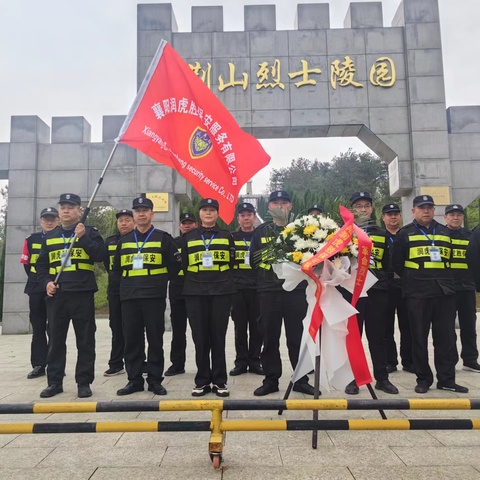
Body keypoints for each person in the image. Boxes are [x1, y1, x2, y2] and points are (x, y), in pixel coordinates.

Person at [392, 195, 468, 394]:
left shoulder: (445, 232)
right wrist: (412, 280)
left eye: (429, 208)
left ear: (435, 211)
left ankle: (447, 379)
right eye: (421, 208)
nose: (426, 211)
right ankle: (423, 379)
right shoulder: (404, 233)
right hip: (417, 293)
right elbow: (397, 263)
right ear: (413, 211)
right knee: (418, 337)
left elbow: (450, 260)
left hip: (444, 293)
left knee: (447, 338)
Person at [36, 193, 105, 398]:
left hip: (82, 293)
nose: (66, 210)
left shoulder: (90, 232)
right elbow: (41, 266)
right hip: (57, 295)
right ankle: (54, 382)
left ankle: (84, 382)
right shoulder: (49, 236)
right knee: (56, 340)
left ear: (79, 211)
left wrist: (83, 238)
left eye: (71, 207)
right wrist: (47, 282)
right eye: (63, 207)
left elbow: (100, 256)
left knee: (85, 340)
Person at [250, 190, 315, 396]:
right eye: (275, 203)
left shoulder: (301, 231)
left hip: (296, 292)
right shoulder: (260, 231)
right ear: (269, 208)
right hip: (269, 291)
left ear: (290, 206)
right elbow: (253, 261)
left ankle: (301, 379)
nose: (280, 206)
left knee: (297, 337)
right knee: (269, 337)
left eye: (284, 203)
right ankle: (271, 379)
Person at [114, 197, 178, 396]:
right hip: (130, 297)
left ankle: (154, 380)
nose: (141, 214)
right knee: (132, 340)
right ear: (133, 215)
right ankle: (134, 380)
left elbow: (175, 268)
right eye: (137, 210)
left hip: (153, 296)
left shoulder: (163, 238)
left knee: (155, 339)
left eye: (145, 210)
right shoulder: (123, 241)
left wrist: (158, 282)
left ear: (152, 214)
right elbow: (115, 270)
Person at [343, 192, 399, 395]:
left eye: (366, 205)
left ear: (372, 208)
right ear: (352, 210)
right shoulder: (344, 233)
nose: (363, 209)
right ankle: (353, 379)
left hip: (377, 292)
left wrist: (383, 283)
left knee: (379, 337)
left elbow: (388, 265)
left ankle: (382, 378)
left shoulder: (382, 234)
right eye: (358, 206)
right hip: (352, 293)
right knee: (353, 337)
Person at [181, 198, 236, 397]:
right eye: (205, 210)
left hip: (221, 291)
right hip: (195, 292)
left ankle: (220, 381)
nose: (208, 213)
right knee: (200, 338)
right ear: (199, 214)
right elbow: (184, 264)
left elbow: (231, 261)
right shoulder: (189, 237)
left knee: (218, 337)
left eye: (212, 210)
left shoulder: (226, 235)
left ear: (217, 214)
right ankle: (202, 380)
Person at [20, 207, 59, 379]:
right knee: (38, 328)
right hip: (36, 288)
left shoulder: (63, 237)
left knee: (56, 329)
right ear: (41, 221)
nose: (49, 222)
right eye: (46, 219)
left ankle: (55, 364)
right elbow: (27, 265)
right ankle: (38, 364)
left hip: (57, 288)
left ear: (57, 220)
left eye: (52, 219)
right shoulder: (31, 239)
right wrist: (40, 280)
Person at [444, 204, 480, 372]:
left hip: (466, 287)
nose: (455, 217)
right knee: (447, 327)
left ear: (463, 217)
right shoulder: (440, 236)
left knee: (469, 325)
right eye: (452, 214)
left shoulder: (470, 236)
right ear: (445, 218)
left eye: (459, 214)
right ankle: (450, 360)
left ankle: (470, 359)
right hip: (447, 288)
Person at [229, 202, 263, 377]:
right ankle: (241, 362)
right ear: (238, 218)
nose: (246, 217)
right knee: (240, 327)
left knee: (257, 327)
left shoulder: (260, 236)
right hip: (238, 289)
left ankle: (255, 361)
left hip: (258, 288)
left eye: (249, 214)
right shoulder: (231, 237)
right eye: (242, 215)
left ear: (254, 217)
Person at [165, 212, 198, 376]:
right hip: (177, 291)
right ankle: (177, 364)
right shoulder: (173, 243)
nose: (187, 225)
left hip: (195, 291)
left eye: (190, 223)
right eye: (184, 223)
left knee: (199, 331)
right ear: (180, 226)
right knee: (178, 330)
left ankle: (203, 364)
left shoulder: (199, 241)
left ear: (196, 225)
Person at [382, 203, 413, 374]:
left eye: (395, 214)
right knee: (386, 326)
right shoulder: (380, 235)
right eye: (389, 214)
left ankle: (409, 361)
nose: (393, 217)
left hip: (405, 285)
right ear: (383, 217)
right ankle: (390, 361)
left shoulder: (407, 234)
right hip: (386, 286)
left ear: (400, 216)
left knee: (407, 326)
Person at [103, 209, 135, 376]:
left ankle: (139, 362)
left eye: (127, 220)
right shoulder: (110, 242)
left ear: (134, 222)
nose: (123, 223)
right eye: (121, 220)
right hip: (115, 290)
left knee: (135, 328)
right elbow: (108, 265)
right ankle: (116, 363)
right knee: (116, 327)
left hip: (133, 289)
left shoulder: (138, 240)